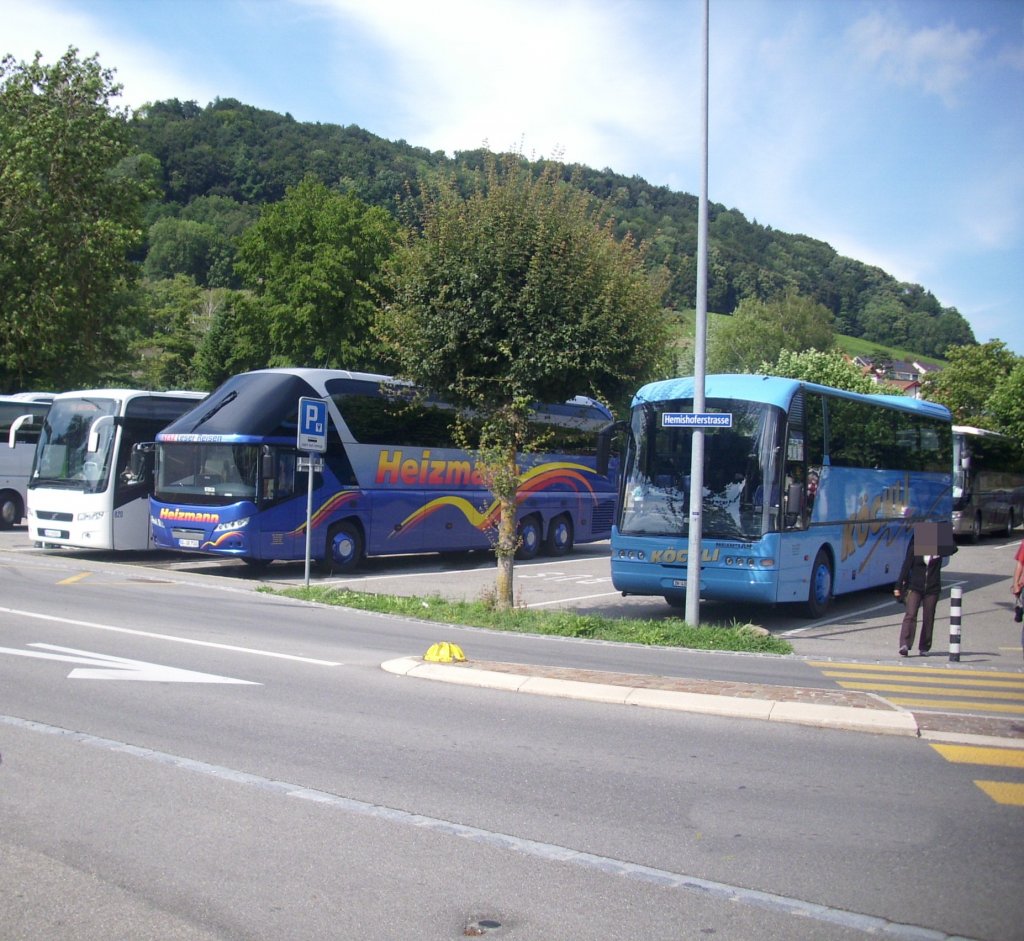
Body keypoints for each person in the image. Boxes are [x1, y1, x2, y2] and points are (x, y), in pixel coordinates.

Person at [894, 539, 943, 657]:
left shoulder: (940, 549)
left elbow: (953, 549)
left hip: (932, 588)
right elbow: (906, 567)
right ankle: (904, 644)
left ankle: (924, 647)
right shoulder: (915, 549)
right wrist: (898, 586)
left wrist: (944, 535)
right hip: (915, 586)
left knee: (928, 617)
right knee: (910, 614)